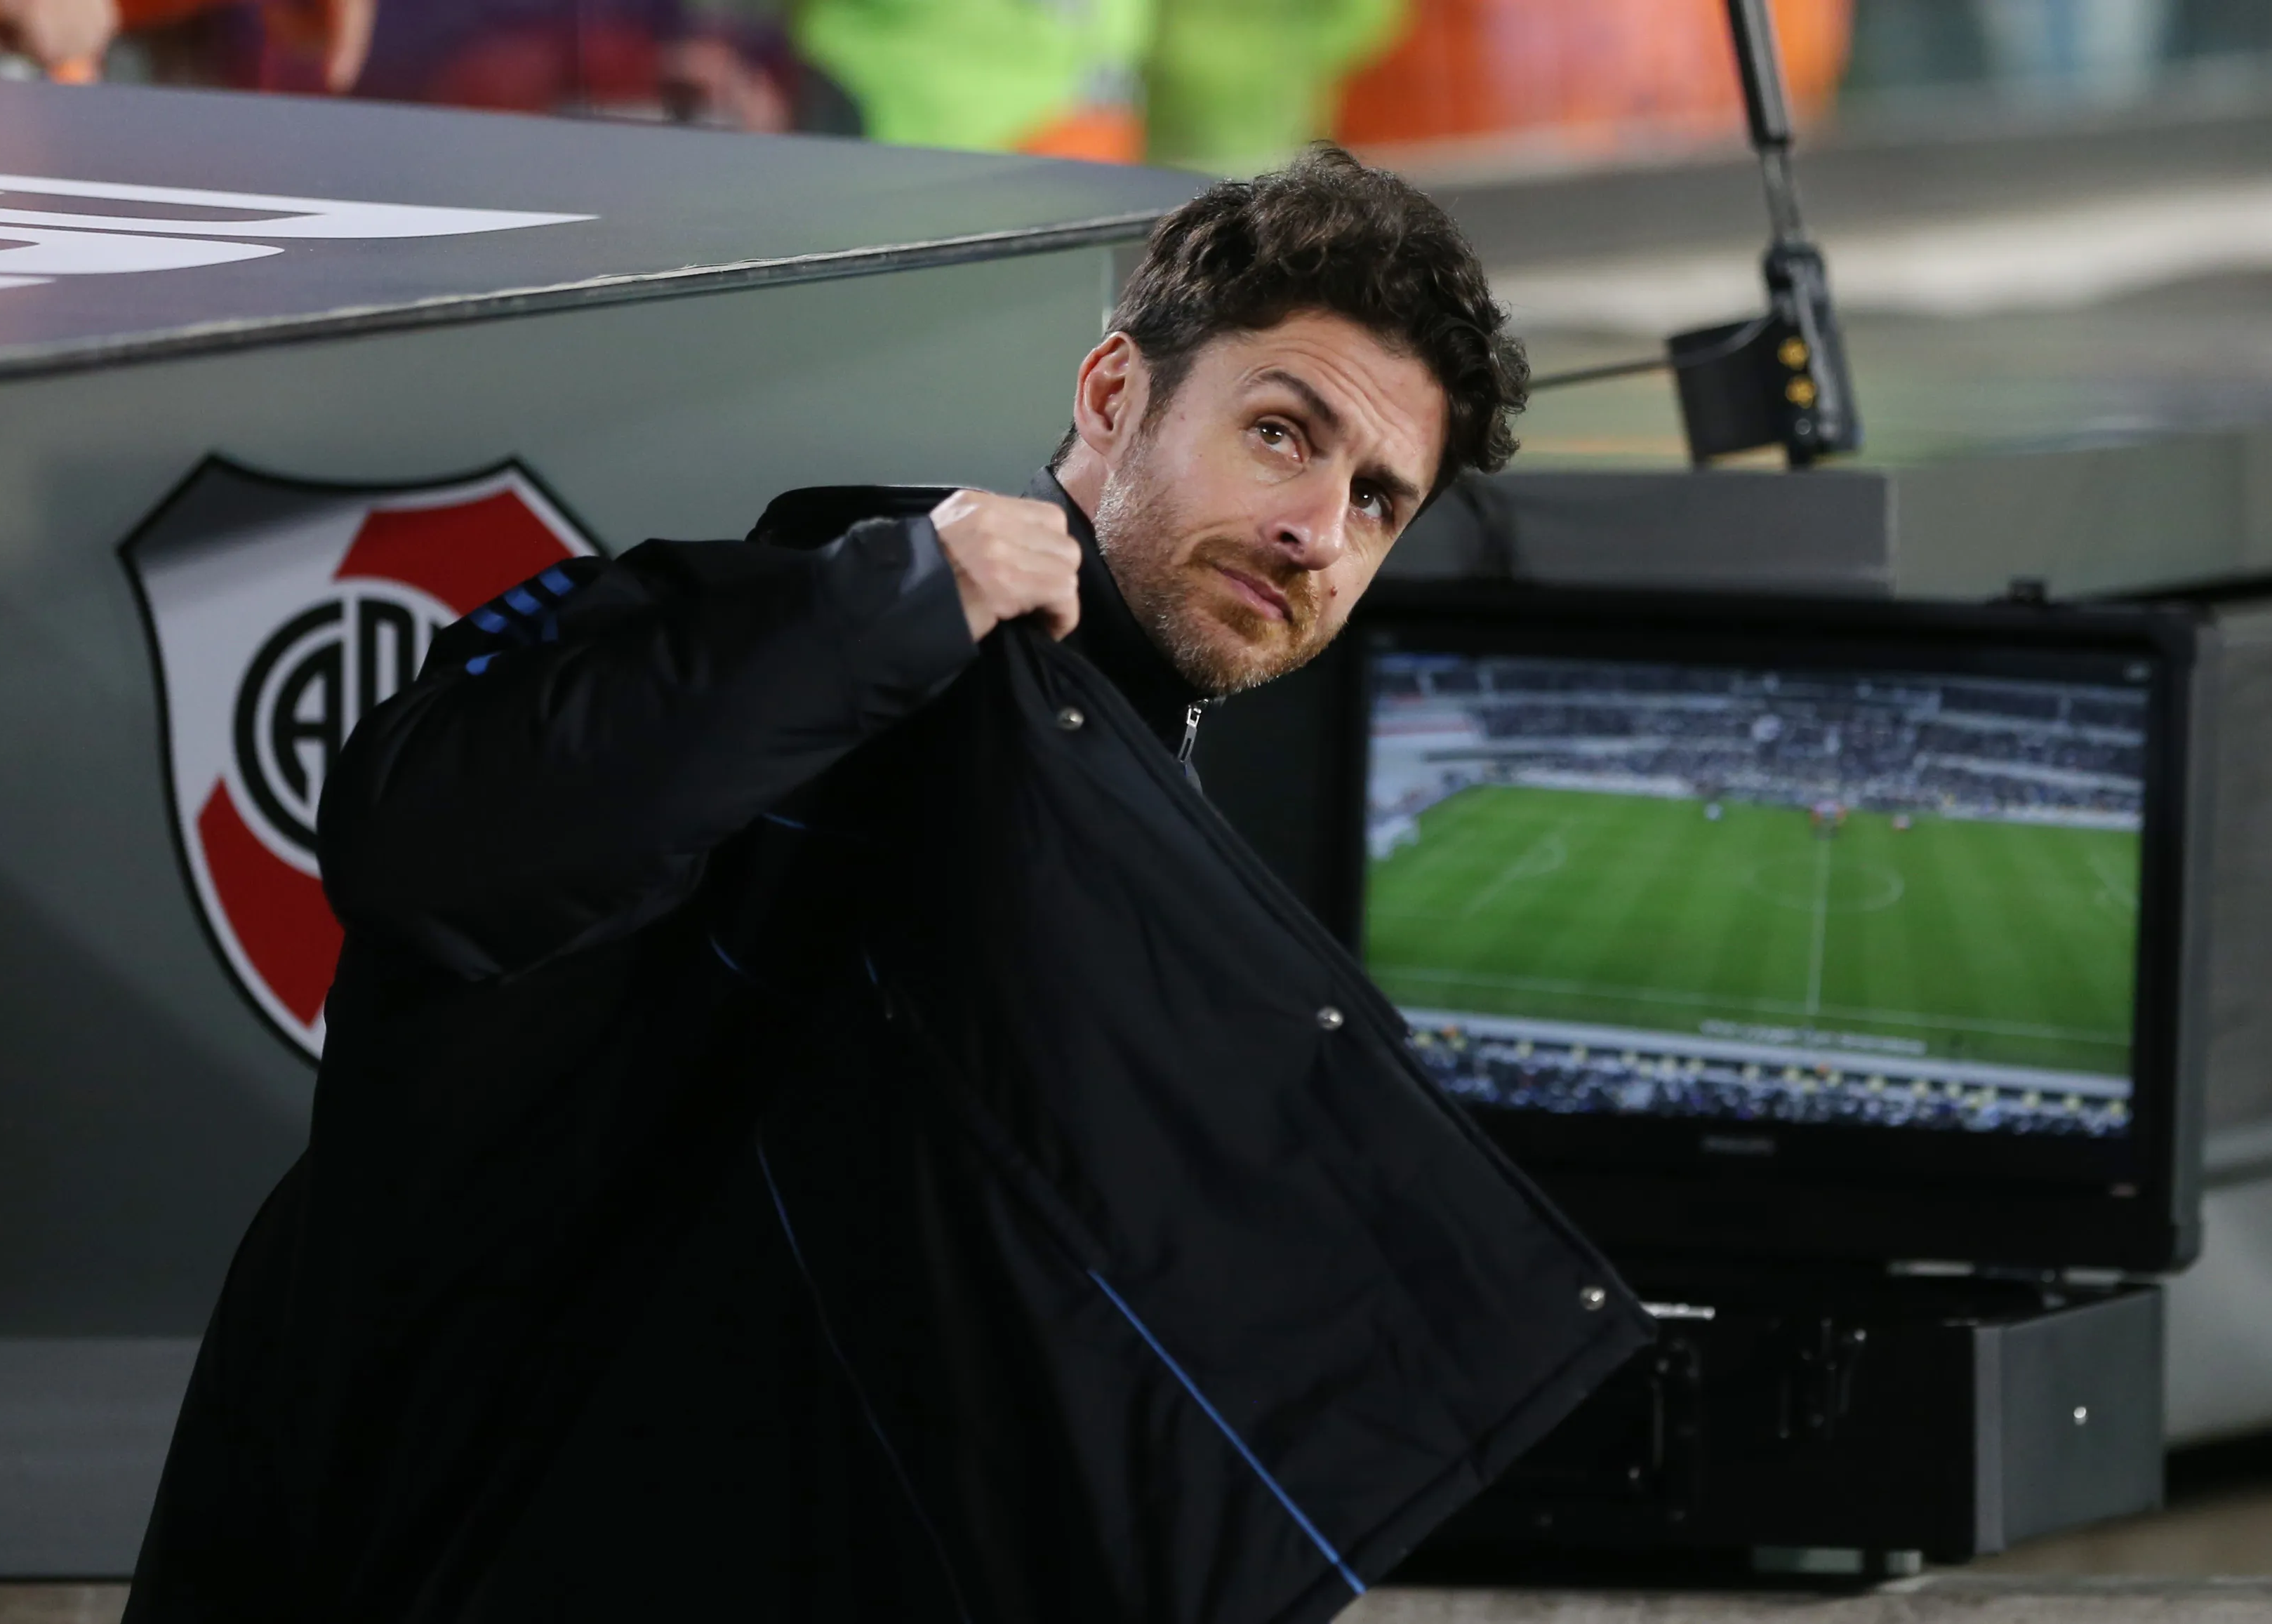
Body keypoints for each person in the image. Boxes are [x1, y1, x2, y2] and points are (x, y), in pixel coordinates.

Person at [125, 148, 1649, 1624]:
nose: (1316, 528)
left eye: (1378, 498)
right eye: (1281, 431)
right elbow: (424, 842)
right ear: (1114, 396)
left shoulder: (1166, 865)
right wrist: (903, 602)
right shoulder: (805, 616)